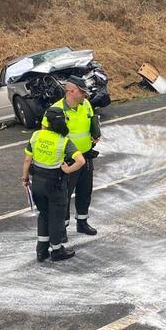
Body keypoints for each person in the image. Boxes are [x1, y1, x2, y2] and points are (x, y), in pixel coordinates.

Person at [24, 107, 86, 262]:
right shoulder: (63, 141)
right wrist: (67, 170)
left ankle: (41, 251)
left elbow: (27, 160)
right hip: (55, 184)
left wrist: (24, 177)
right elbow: (81, 161)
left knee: (43, 215)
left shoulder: (36, 136)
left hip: (37, 181)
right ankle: (57, 250)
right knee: (56, 217)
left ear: (47, 121)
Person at [47, 76, 101, 236]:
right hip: (68, 161)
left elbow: (92, 120)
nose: (85, 95)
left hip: (86, 156)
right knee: (64, 196)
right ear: (70, 91)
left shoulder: (86, 105)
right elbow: (46, 134)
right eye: (81, 91)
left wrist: (95, 132)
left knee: (85, 191)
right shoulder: (56, 110)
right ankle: (61, 230)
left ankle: (82, 222)